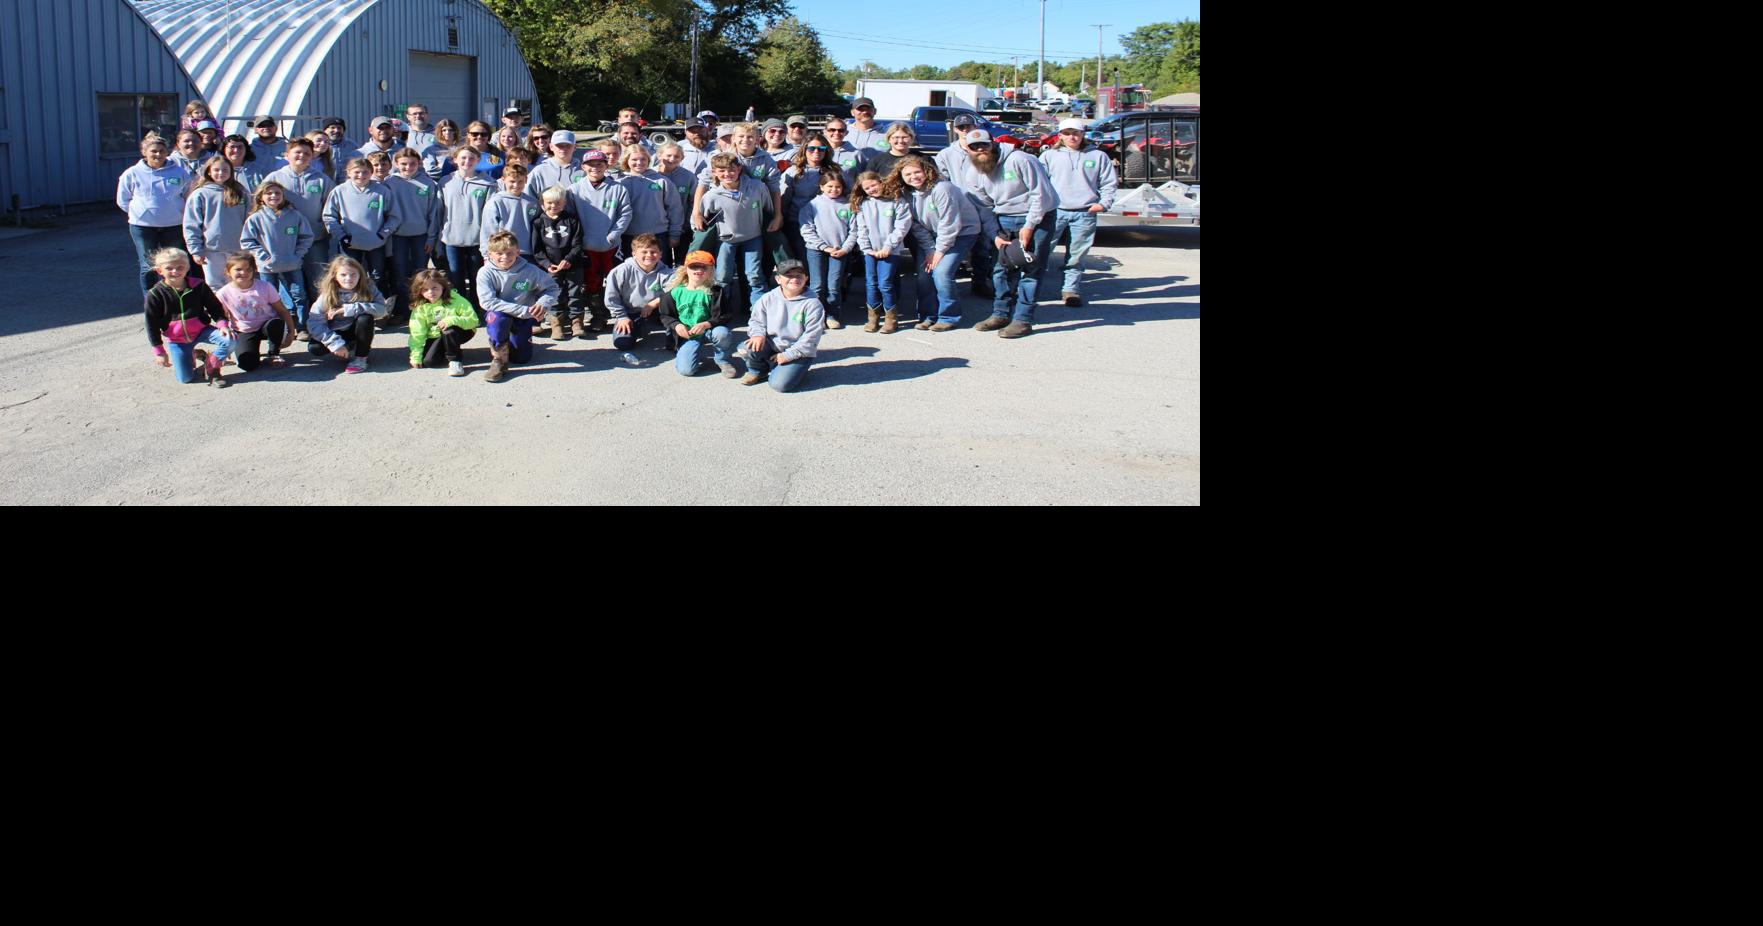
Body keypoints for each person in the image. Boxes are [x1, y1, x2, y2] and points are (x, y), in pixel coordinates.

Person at [960, 129, 1056, 339]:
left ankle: (1023, 319)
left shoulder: (1021, 159)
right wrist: (994, 233)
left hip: (1037, 216)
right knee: (1000, 269)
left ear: (993, 143)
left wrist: (1030, 225)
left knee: (1030, 268)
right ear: (967, 149)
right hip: (1003, 218)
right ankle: (1000, 313)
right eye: (974, 147)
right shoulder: (972, 173)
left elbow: (1041, 195)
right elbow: (983, 207)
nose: (980, 150)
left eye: (984, 145)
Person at [892, 156, 980, 332]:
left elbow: (950, 223)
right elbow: (916, 225)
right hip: (932, 235)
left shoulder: (942, 189)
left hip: (962, 232)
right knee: (925, 274)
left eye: (917, 172)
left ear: (926, 171)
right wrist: (930, 249)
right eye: (908, 174)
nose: (914, 177)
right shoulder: (905, 194)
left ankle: (948, 316)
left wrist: (939, 252)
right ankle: (927, 316)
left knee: (941, 272)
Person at [1039, 118, 1117, 307]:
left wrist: (1103, 203)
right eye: (1067, 133)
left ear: (1083, 134)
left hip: (1085, 211)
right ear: (1060, 135)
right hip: (1054, 211)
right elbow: (1039, 183)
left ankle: (1070, 290)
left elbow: (1109, 182)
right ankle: (1031, 289)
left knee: (1076, 255)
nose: (1072, 137)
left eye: (1076, 133)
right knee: (1041, 251)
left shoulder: (1097, 156)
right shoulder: (1049, 156)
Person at [265, 138, 334, 336]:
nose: (301, 156)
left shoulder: (320, 179)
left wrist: (325, 228)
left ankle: (318, 321)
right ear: (287, 155)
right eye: (297, 152)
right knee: (290, 284)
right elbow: (262, 204)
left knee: (317, 281)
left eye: (306, 153)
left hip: (315, 239)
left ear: (312, 157)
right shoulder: (275, 178)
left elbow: (330, 205)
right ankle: (294, 322)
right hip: (284, 242)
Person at [142, 247, 235, 387]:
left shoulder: (199, 285)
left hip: (202, 330)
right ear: (160, 271)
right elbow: (151, 324)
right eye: (169, 268)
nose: (175, 271)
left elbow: (215, 307)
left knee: (230, 340)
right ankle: (196, 354)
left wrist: (223, 325)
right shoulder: (155, 294)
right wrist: (159, 351)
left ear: (187, 268)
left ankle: (212, 367)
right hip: (177, 339)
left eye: (180, 267)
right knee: (185, 378)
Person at [476, 230, 560, 382]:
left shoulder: (530, 270)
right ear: (490, 254)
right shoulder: (485, 273)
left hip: (524, 317)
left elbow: (552, 288)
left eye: (509, 253)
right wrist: (525, 311)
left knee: (522, 358)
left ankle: (513, 343)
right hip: (502, 313)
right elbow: (487, 302)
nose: (505, 257)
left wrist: (542, 304)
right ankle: (498, 360)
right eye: (499, 253)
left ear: (517, 251)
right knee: (498, 320)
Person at [118, 135, 194, 297]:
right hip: (143, 227)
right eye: (153, 151)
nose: (158, 155)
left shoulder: (180, 172)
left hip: (173, 225)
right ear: (144, 152)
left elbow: (188, 196)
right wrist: (141, 213)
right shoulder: (132, 173)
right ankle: (151, 300)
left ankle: (175, 297)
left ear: (168, 152)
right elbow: (123, 200)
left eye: (162, 151)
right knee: (148, 265)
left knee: (175, 263)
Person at [567, 149, 632, 333]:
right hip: (587, 246)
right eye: (591, 165)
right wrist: (579, 239)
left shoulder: (618, 188)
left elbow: (625, 214)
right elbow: (571, 218)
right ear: (583, 167)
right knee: (591, 282)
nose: (595, 168)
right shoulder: (575, 190)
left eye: (600, 164)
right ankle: (598, 316)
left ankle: (620, 314)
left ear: (607, 166)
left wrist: (614, 234)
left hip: (611, 245)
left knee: (614, 280)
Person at [322, 157, 399, 309]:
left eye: (365, 172)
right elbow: (329, 216)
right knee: (349, 276)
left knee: (377, 275)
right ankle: (352, 306)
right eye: (357, 172)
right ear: (348, 173)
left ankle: (380, 308)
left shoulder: (382, 191)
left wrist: (382, 234)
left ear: (371, 172)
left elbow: (394, 216)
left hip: (376, 243)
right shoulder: (339, 191)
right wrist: (342, 235)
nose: (361, 176)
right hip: (350, 243)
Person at [238, 180, 313, 335]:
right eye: (269, 193)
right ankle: (278, 327)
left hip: (292, 264)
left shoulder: (294, 215)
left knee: (299, 295)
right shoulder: (256, 218)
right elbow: (247, 240)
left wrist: (298, 254)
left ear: (283, 196)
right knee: (269, 298)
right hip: (267, 267)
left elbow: (306, 236)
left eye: (277, 193)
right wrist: (262, 256)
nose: (273, 196)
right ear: (261, 197)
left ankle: (302, 326)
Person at [698, 152, 771, 308]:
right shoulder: (712, 196)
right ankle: (722, 309)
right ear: (714, 172)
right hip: (726, 240)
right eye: (722, 171)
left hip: (753, 237)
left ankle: (759, 310)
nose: (727, 174)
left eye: (731, 169)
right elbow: (701, 219)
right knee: (723, 276)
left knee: (754, 274)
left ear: (739, 169)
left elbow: (767, 209)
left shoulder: (757, 187)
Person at [739, 259, 824, 392]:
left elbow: (811, 337)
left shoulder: (813, 303)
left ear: (806, 278)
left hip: (799, 352)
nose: (794, 279)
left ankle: (792, 369)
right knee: (745, 347)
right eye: (789, 276)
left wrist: (788, 355)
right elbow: (756, 321)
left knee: (779, 385)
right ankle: (758, 370)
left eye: (799, 275)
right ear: (778, 279)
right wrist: (758, 335)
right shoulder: (767, 298)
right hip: (773, 345)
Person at [385, 147, 444, 326]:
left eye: (412, 164)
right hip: (398, 236)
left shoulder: (428, 184)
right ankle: (403, 309)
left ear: (418, 163)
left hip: (421, 236)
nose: (408, 167)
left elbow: (433, 214)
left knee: (420, 274)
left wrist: (431, 238)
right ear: (396, 164)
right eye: (403, 164)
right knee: (400, 273)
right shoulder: (389, 183)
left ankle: (421, 308)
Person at [850, 170, 912, 334]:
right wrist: (867, 249)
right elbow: (861, 229)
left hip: (890, 251)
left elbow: (901, 227)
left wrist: (888, 247)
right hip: (870, 252)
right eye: (867, 188)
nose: (871, 189)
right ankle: (873, 317)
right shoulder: (864, 205)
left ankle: (891, 318)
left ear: (881, 181)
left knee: (885, 284)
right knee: (871, 283)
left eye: (874, 185)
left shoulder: (898, 201)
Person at [659, 250, 738, 378]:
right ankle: (688, 351)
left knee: (722, 333)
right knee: (686, 370)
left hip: (709, 330)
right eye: (694, 266)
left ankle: (722, 360)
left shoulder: (716, 291)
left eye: (704, 267)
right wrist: (677, 325)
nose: (699, 270)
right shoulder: (674, 292)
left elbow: (726, 315)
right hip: (688, 334)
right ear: (686, 269)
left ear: (711, 270)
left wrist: (707, 323)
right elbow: (665, 315)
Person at [215, 252, 296, 373]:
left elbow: (282, 310)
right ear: (228, 271)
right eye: (238, 269)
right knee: (247, 365)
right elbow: (222, 318)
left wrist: (290, 331)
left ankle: (274, 354)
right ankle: (251, 354)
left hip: (267, 326)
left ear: (254, 270)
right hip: (244, 330)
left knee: (276, 323)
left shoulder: (265, 286)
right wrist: (226, 345)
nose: (244, 273)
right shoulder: (223, 293)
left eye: (248, 269)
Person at [441, 146, 498, 315]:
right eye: (463, 158)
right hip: (452, 238)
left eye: (471, 158)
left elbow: (490, 215)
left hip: (477, 239)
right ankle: (459, 308)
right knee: (456, 276)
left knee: (476, 277)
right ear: (455, 160)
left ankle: (476, 307)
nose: (467, 162)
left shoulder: (488, 183)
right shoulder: (445, 181)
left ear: (478, 160)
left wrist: (488, 241)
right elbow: (439, 211)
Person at [306, 254, 387, 373]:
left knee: (365, 318)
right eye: (343, 275)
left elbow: (382, 310)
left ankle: (361, 357)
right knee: (315, 348)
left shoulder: (368, 287)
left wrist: (349, 309)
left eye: (353, 274)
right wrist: (335, 344)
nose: (349, 279)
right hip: (335, 330)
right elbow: (314, 323)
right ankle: (345, 347)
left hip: (355, 329)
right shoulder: (327, 294)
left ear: (360, 275)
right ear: (335, 277)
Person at [798, 170, 857, 330]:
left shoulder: (848, 205)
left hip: (840, 252)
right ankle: (816, 316)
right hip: (816, 251)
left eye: (837, 187)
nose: (834, 190)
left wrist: (845, 248)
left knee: (834, 284)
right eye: (829, 186)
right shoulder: (811, 205)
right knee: (817, 285)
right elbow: (807, 230)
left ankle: (832, 315)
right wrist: (824, 247)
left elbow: (854, 230)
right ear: (822, 186)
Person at [602, 234, 672, 366]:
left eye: (653, 252)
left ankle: (672, 334)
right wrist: (622, 317)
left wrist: (654, 303)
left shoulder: (667, 273)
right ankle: (637, 328)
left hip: (657, 310)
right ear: (634, 253)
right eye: (644, 252)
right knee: (622, 344)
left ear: (661, 254)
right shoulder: (620, 271)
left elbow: (675, 292)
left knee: (673, 344)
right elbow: (611, 298)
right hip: (630, 312)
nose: (649, 255)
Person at [182, 157, 249, 288]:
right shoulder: (200, 194)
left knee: (239, 284)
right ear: (208, 172)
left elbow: (249, 221)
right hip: (212, 250)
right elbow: (191, 224)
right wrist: (195, 250)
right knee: (215, 286)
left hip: (238, 249)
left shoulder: (241, 192)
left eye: (225, 170)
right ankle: (219, 309)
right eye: (216, 170)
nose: (221, 173)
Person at [532, 186, 585, 338]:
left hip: (573, 264)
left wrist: (569, 259)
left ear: (564, 203)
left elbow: (577, 244)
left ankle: (576, 321)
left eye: (557, 203)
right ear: (542, 204)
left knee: (575, 292)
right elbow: (537, 249)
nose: (553, 206)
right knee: (555, 293)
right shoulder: (538, 223)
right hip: (551, 267)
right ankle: (557, 323)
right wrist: (547, 264)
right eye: (549, 203)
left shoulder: (572, 220)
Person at [405, 268, 478, 376]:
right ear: (420, 291)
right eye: (425, 290)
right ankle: (448, 348)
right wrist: (416, 356)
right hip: (435, 334)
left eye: (435, 288)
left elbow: (473, 321)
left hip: (461, 330)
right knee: (429, 362)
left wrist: (452, 320)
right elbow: (417, 333)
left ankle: (455, 360)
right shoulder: (420, 307)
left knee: (449, 330)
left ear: (442, 286)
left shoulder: (456, 299)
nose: (431, 292)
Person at [619, 145, 681, 260]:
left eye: (643, 159)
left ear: (648, 160)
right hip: (628, 235)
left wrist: (674, 234)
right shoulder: (620, 183)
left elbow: (675, 209)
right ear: (626, 160)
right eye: (634, 159)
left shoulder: (661, 181)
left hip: (658, 235)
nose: (639, 162)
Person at [783, 133, 835, 259]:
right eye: (812, 148)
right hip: (798, 223)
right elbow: (784, 200)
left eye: (821, 149)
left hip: (826, 224)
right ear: (804, 150)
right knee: (803, 260)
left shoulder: (834, 171)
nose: (816, 151)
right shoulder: (793, 172)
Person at [479, 162, 542, 263]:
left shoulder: (532, 203)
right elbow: (488, 230)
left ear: (526, 180)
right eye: (512, 181)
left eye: (520, 181)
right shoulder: (495, 202)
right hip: (504, 252)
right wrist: (487, 254)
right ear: (503, 180)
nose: (516, 185)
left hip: (527, 252)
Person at [655, 142, 698, 267]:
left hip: (682, 227)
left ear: (682, 158)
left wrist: (689, 224)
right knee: (662, 262)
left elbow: (693, 202)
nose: (672, 159)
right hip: (658, 228)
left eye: (676, 156)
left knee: (682, 262)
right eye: (668, 155)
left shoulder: (688, 177)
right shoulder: (651, 175)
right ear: (659, 155)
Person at [527, 130, 583, 202]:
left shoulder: (583, 169)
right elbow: (529, 197)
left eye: (568, 145)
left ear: (575, 147)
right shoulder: (540, 171)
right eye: (559, 145)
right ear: (551, 147)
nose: (563, 148)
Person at [822, 118, 866, 187]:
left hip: (847, 196)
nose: (836, 133)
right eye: (832, 130)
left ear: (846, 133)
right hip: (821, 196)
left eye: (841, 130)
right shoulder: (817, 151)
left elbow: (863, 178)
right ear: (825, 132)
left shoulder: (856, 154)